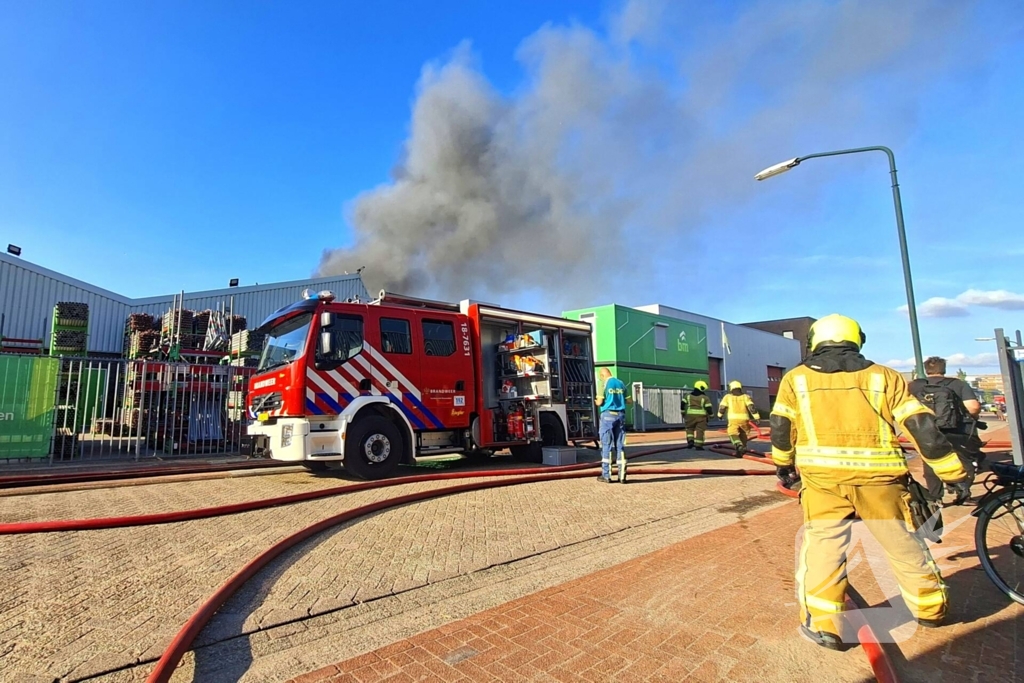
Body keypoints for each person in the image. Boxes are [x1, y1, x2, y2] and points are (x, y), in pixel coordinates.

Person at [770, 314, 968, 650]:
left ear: (815, 341)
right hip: (881, 481)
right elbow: (922, 427)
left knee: (824, 547)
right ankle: (930, 608)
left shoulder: (796, 379)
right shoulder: (884, 377)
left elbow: (780, 426)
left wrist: (783, 465)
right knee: (903, 545)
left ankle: (826, 626)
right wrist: (953, 474)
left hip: (823, 482)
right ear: (856, 340)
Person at [909, 356, 983, 503]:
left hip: (927, 429)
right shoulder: (958, 384)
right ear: (943, 369)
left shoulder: (914, 386)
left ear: (926, 370)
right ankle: (963, 493)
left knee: (931, 462)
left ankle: (935, 498)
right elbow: (973, 407)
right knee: (964, 460)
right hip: (956, 430)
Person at [595, 367, 628, 483]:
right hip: (621, 415)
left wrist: (595, 401)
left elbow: (599, 402)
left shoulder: (604, 384)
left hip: (608, 415)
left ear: (602, 375)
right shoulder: (621, 383)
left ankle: (606, 475)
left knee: (606, 446)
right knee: (620, 446)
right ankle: (622, 476)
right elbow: (629, 401)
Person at [717, 380, 760, 455]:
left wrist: (720, 415)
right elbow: (751, 407)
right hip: (744, 420)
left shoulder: (727, 397)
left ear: (731, 388)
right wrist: (757, 417)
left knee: (732, 433)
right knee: (743, 434)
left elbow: (722, 407)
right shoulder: (745, 397)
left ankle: (738, 445)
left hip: (733, 420)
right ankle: (742, 449)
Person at [684, 380, 714, 450]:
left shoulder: (687, 396)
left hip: (690, 416)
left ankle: (690, 441)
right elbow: (708, 408)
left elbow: (682, 404)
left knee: (689, 429)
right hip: (701, 417)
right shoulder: (705, 398)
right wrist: (711, 415)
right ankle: (698, 445)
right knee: (700, 430)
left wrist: (683, 412)